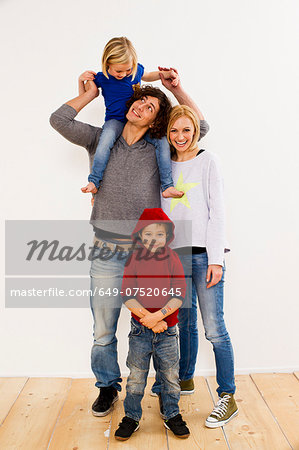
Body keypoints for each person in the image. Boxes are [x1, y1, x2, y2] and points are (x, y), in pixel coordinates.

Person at [49, 75, 209, 418]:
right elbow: (58, 119)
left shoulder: (158, 147)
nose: (141, 106)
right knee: (103, 328)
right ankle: (108, 387)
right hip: (106, 249)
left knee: (157, 321)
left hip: (147, 256)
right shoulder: (99, 140)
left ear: (156, 120)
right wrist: (91, 93)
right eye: (140, 101)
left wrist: (176, 89)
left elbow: (201, 126)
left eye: (151, 106)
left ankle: (162, 385)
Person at [159, 95, 238, 427]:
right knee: (184, 324)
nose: (180, 136)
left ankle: (228, 396)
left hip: (204, 255)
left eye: (187, 129)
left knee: (214, 329)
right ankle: (185, 378)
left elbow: (217, 212)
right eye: (174, 130)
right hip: (174, 256)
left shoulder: (208, 161)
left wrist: (216, 260)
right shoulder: (164, 166)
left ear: (196, 131)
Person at [114, 208, 189, 440]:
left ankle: (172, 413)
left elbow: (179, 293)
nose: (152, 239)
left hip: (167, 330)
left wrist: (159, 317)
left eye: (158, 234)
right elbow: (128, 293)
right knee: (136, 376)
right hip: (140, 330)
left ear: (167, 236)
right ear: (139, 235)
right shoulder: (134, 258)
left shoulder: (173, 259)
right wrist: (147, 318)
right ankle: (132, 417)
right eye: (147, 234)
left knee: (169, 376)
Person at [79, 36, 183, 198]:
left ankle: (167, 185)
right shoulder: (102, 78)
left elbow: (149, 76)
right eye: (119, 71)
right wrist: (81, 81)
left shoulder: (135, 72)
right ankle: (94, 181)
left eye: (128, 70)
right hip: (115, 121)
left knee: (161, 141)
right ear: (107, 65)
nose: (124, 74)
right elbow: (85, 95)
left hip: (139, 123)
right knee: (104, 142)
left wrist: (167, 73)